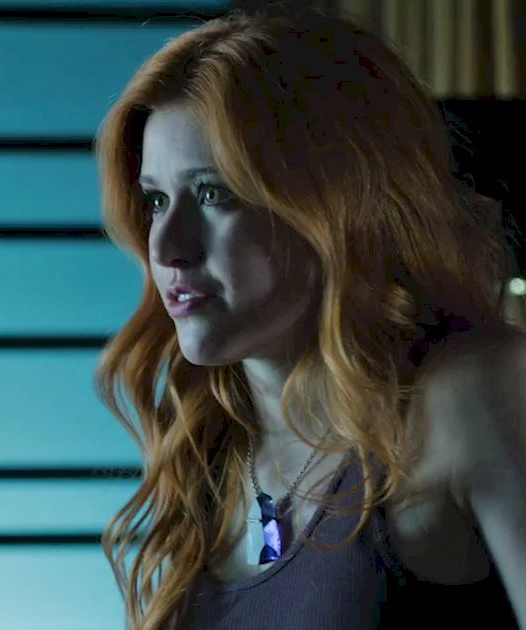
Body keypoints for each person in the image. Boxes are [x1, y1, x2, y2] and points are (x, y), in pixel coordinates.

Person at [93, 8, 524, 629]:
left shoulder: (473, 398)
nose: (166, 247)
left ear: (335, 199)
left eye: (213, 193)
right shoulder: (210, 456)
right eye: (157, 200)